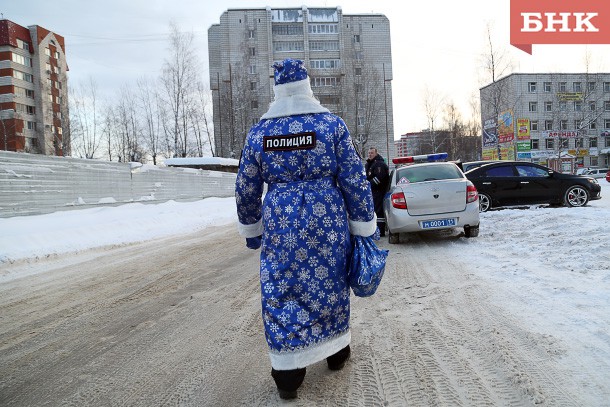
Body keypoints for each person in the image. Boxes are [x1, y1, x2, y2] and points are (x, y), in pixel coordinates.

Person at [235, 58, 376, 400]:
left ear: (277, 90)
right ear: (307, 88)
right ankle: (336, 351)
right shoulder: (331, 126)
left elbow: (246, 185)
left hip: (281, 226)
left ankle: (288, 374)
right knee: (329, 282)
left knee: (281, 287)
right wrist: (364, 226)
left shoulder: (260, 133)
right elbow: (355, 179)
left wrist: (251, 226)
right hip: (327, 221)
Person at [365, 147, 390, 236]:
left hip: (379, 191)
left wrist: (367, 185)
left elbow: (379, 178)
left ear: (376, 153)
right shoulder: (370, 164)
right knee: (375, 211)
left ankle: (380, 231)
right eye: (369, 153)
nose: (370, 155)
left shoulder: (379, 164)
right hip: (373, 192)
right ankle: (376, 230)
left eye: (372, 153)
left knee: (379, 212)